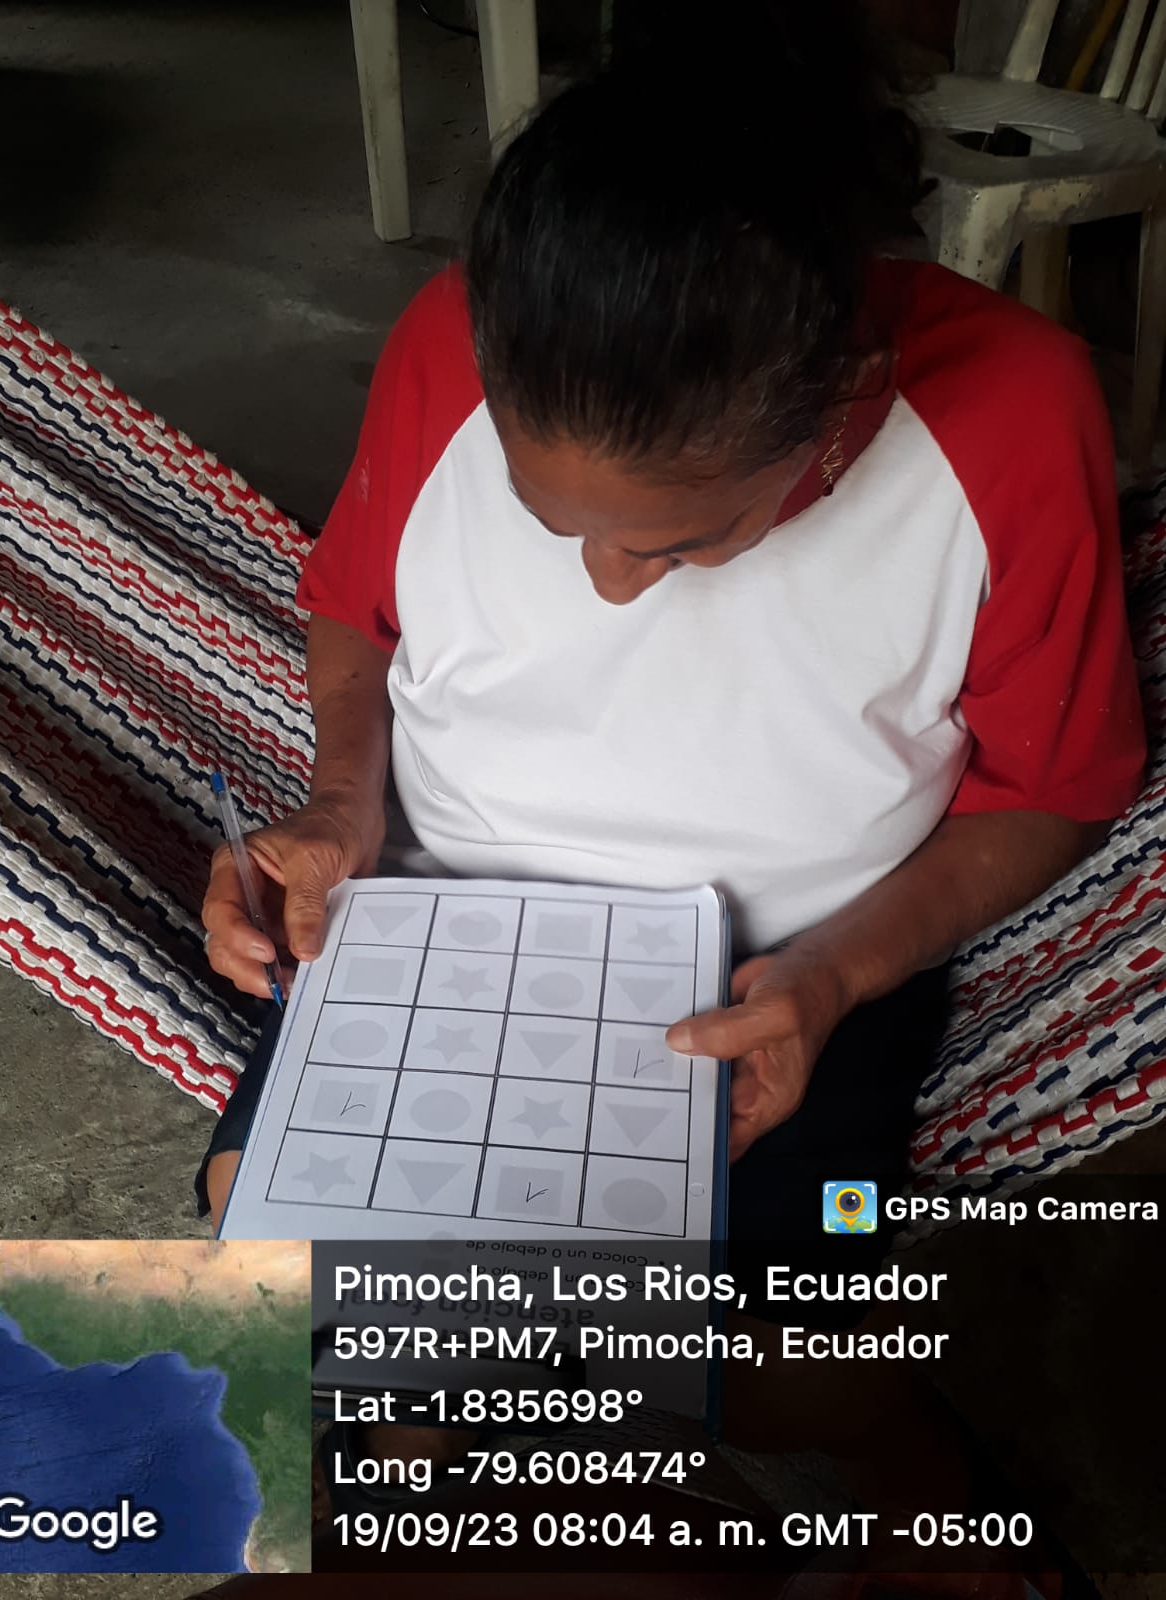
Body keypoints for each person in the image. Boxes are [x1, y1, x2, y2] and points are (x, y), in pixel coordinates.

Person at [198, 1, 1144, 1576]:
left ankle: (837, 1454)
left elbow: (1062, 784)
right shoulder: (454, 334)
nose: (611, 585)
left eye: (684, 540)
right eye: (553, 521)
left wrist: (835, 976)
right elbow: (358, 606)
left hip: (787, 975)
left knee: (788, 1375)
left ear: (844, 398)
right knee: (285, 1273)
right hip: (445, 928)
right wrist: (343, 804)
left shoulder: (1013, 410)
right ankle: (432, 1443)